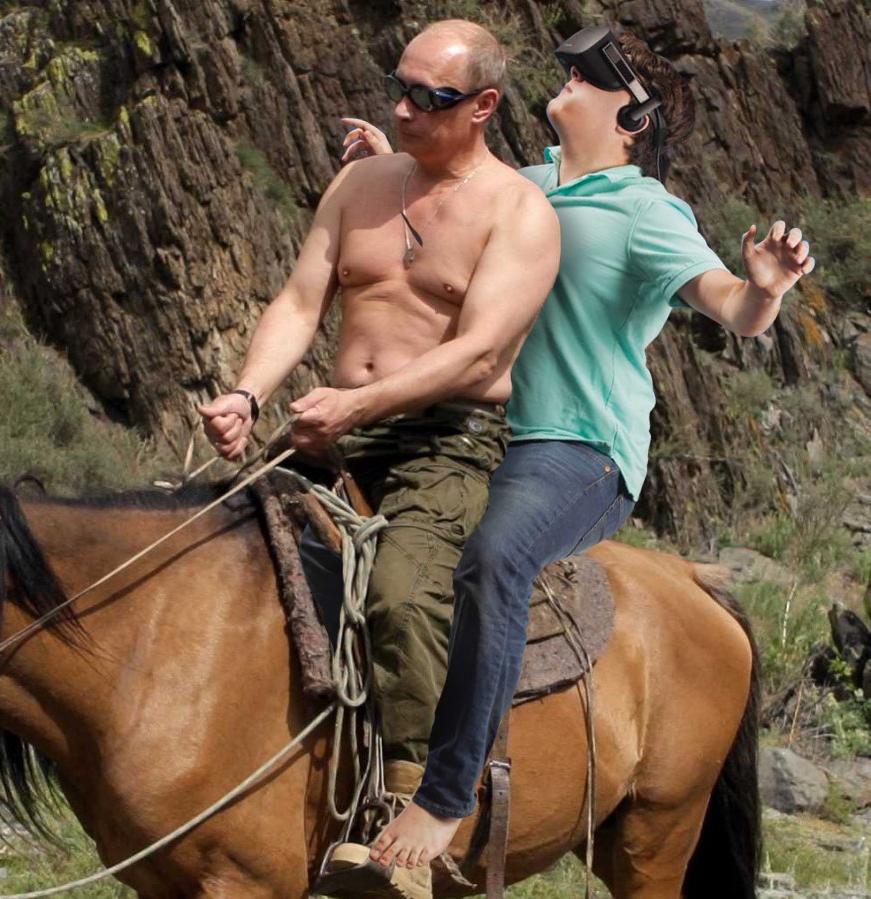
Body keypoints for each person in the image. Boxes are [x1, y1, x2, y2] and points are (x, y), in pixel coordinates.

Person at [339, 25, 817, 891]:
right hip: (476, 435)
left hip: (578, 448)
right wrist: (393, 162)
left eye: (588, 78)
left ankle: (443, 798)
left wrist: (763, 288)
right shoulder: (525, 184)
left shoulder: (646, 211)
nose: (566, 78)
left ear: (631, 117)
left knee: (494, 559)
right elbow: (452, 208)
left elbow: (730, 308)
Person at [199, 19, 560, 897]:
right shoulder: (360, 183)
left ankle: (411, 822)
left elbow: (478, 353)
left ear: (483, 106)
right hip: (338, 430)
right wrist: (248, 392)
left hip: (449, 440)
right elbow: (300, 301)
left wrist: (357, 403)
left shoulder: (519, 212)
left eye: (428, 98)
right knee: (213, 547)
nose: (401, 109)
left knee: (403, 592)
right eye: (398, 87)